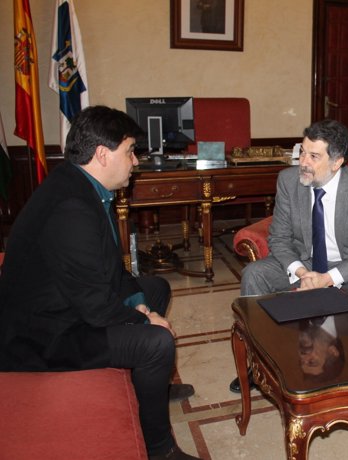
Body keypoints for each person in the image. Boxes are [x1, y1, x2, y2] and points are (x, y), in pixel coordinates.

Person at [0, 106, 199, 460]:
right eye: (130, 152)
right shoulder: (71, 209)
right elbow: (95, 306)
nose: (135, 162)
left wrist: (138, 301)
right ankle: (160, 450)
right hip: (46, 336)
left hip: (70, 304)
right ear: (102, 154)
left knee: (156, 289)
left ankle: (148, 386)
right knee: (156, 343)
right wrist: (143, 319)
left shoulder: (80, 184)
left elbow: (110, 269)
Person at [231, 119, 348, 393]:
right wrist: (302, 273)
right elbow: (279, 238)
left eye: (314, 156)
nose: (303, 162)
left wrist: (328, 278)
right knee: (254, 274)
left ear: (337, 162)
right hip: (305, 261)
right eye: (302, 152)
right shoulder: (288, 181)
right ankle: (260, 363)